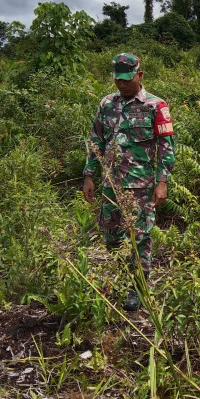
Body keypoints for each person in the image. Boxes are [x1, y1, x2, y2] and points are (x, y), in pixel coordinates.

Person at [82, 53, 176, 312]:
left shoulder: (155, 106)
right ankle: (124, 277)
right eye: (117, 79)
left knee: (140, 236)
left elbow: (165, 147)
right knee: (112, 236)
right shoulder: (106, 104)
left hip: (140, 185)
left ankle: (138, 287)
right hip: (111, 184)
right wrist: (89, 175)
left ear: (139, 75)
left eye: (127, 79)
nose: (121, 84)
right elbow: (96, 141)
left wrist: (162, 182)